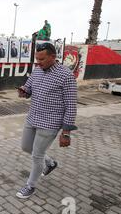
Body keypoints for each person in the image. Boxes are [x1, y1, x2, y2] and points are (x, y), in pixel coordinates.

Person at [16, 42, 78, 199]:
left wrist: (66, 132)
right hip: (32, 118)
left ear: (53, 57)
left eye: (42, 59)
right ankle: (50, 163)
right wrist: (24, 91)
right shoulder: (37, 70)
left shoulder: (66, 76)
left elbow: (71, 106)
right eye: (37, 59)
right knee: (26, 147)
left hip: (50, 123)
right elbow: (28, 88)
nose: (38, 62)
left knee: (37, 155)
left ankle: (30, 186)